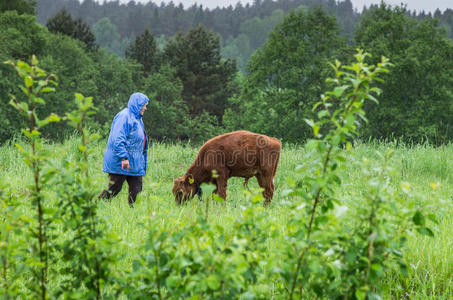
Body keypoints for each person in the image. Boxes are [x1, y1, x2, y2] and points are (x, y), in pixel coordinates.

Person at [98, 92, 149, 207]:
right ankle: (98, 206)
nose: (145, 108)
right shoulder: (124, 116)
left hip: (135, 162)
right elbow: (117, 139)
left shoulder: (138, 119)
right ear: (137, 104)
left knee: (137, 190)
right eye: (144, 105)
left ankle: (134, 213)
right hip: (121, 161)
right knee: (114, 188)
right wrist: (124, 158)